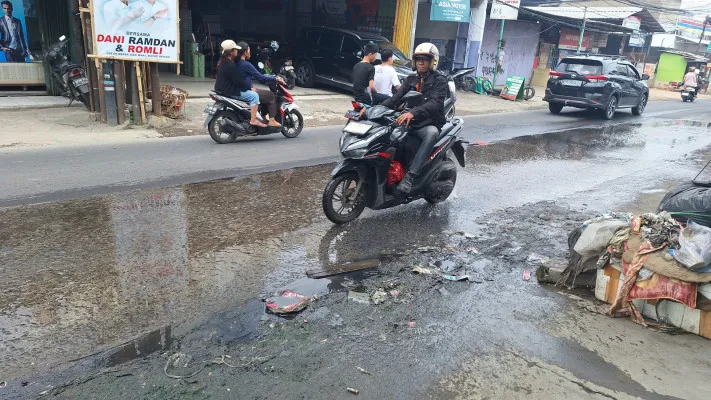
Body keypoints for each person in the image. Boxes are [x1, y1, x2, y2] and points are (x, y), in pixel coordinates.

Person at [381, 42, 448, 195]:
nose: (421, 62)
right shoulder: (410, 79)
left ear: (433, 62)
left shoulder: (440, 81)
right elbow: (395, 99)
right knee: (388, 135)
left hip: (429, 122)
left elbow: (434, 103)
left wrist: (413, 113)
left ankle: (411, 176)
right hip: (409, 121)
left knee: (431, 134)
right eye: (418, 59)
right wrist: (373, 109)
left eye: (425, 59)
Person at [214, 40, 266, 128]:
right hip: (230, 91)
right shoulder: (231, 65)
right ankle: (253, 120)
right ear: (231, 52)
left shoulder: (221, 61)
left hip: (220, 89)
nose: (237, 51)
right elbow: (239, 82)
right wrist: (249, 87)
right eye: (235, 50)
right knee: (254, 96)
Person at [234, 41, 285, 128]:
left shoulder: (235, 63)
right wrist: (275, 78)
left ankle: (263, 117)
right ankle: (272, 120)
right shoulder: (246, 64)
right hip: (244, 90)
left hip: (239, 89)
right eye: (249, 50)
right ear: (245, 52)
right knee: (271, 95)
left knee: (261, 93)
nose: (250, 52)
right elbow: (261, 77)